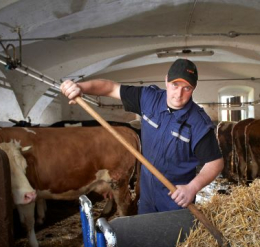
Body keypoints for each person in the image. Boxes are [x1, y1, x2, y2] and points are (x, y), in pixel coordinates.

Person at [60, 58, 224, 214]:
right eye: (175, 85)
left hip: (176, 200)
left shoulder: (198, 123)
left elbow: (215, 162)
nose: (178, 94)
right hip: (146, 194)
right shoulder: (148, 98)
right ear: (166, 80)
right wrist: (80, 87)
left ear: (193, 89)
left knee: (176, 241)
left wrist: (192, 188)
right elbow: (110, 87)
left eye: (186, 88)